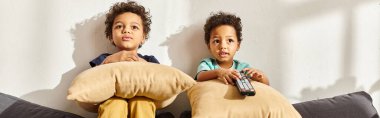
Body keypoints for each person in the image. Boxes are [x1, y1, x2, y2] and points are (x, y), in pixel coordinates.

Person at [87, 1, 167, 118]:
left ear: (143, 37)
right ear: (110, 36)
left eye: (134, 27)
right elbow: (93, 80)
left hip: (142, 100)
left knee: (142, 103)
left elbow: (161, 80)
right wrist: (110, 60)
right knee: (114, 104)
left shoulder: (149, 60)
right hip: (112, 100)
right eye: (119, 26)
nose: (126, 30)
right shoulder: (105, 58)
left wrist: (141, 63)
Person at [195, 12, 270, 86]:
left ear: (238, 46)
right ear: (209, 46)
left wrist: (260, 76)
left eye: (230, 40)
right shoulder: (208, 64)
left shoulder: (243, 67)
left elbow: (266, 85)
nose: (223, 46)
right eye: (217, 41)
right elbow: (200, 77)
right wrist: (219, 72)